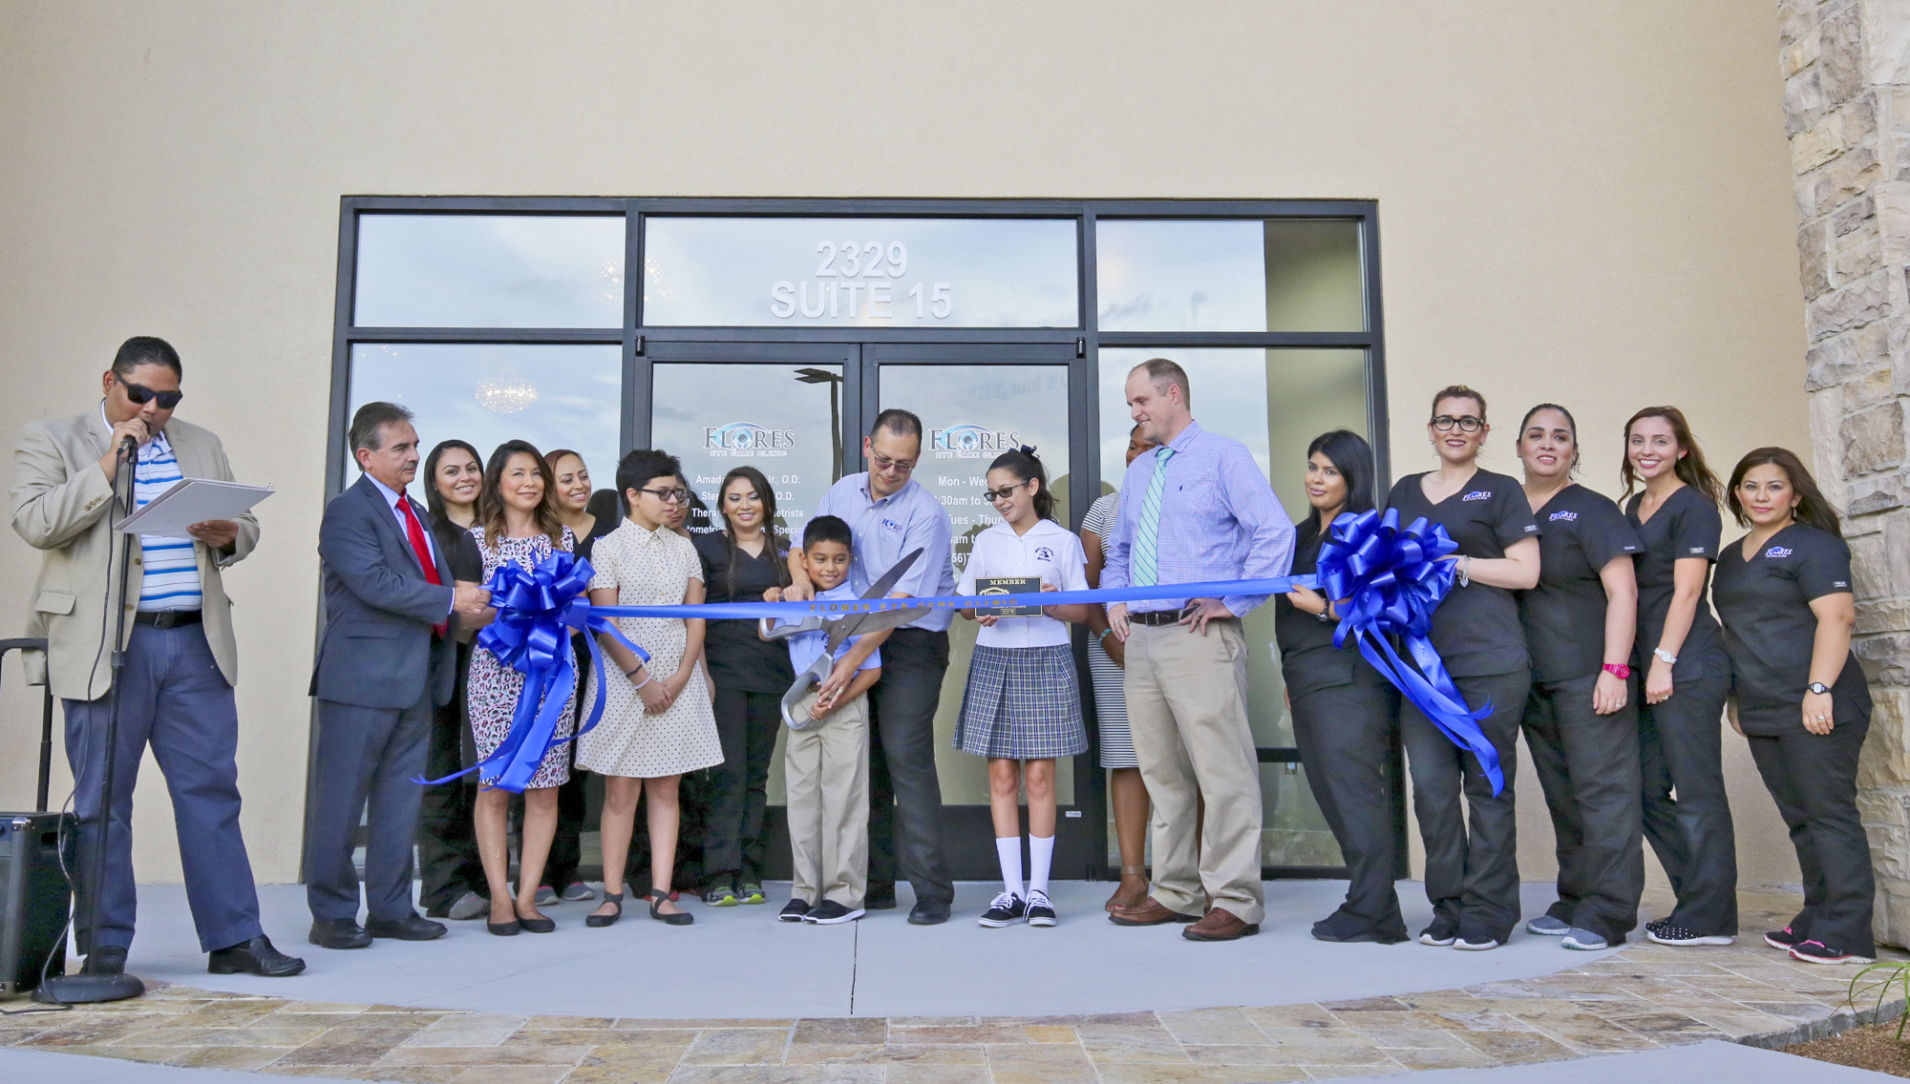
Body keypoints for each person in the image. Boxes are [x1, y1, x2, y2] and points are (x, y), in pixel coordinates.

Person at [10, 335, 302, 978]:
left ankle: (235, 938)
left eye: (167, 399)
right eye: (140, 394)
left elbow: (245, 525)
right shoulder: (54, 439)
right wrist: (110, 463)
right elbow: (36, 522)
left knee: (211, 792)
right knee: (102, 800)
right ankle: (105, 948)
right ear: (109, 381)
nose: (153, 409)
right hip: (106, 646)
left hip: (194, 642)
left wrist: (230, 533)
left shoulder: (200, 443)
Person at [1103, 357, 1296, 943]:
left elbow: (1275, 531)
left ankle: (1235, 899)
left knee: (1222, 770)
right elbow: (1119, 550)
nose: (1134, 412)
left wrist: (1233, 602)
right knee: (1162, 772)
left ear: (1173, 394)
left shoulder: (1224, 457)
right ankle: (1176, 891)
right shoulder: (1140, 472)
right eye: (1130, 403)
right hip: (1143, 640)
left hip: (1199, 635)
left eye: (1140, 400)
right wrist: (1116, 600)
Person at [309, 401, 491, 950]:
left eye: (414, 445)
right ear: (366, 456)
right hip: (361, 682)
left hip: (417, 678)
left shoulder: (413, 511)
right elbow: (373, 583)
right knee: (342, 806)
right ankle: (332, 915)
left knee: (399, 804)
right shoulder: (348, 511)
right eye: (401, 448)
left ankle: (391, 910)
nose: (414, 455)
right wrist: (452, 598)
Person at [1384, 385, 1539, 952]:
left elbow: (1526, 571)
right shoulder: (1404, 491)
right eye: (1445, 421)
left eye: (1468, 422)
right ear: (1430, 429)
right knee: (1431, 791)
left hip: (1489, 664)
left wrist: (1459, 564)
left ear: (1484, 432)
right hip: (1420, 668)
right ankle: (1447, 906)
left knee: (1487, 788)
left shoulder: (1501, 491)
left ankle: (1489, 912)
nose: (1456, 430)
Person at [788, 409, 957, 925]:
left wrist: (850, 663)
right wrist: (799, 581)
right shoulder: (841, 492)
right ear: (867, 447)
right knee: (865, 763)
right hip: (845, 638)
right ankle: (873, 885)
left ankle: (932, 891)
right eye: (883, 459)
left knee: (905, 756)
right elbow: (800, 548)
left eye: (903, 464)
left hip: (908, 642)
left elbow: (898, 605)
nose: (891, 471)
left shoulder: (926, 514)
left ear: (917, 460)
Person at [1714, 447, 1874, 964]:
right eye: (1751, 486)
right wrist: (1736, 699)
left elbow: (1838, 618)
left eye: (1775, 486)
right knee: (1801, 819)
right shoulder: (1730, 558)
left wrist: (1819, 689)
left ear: (1796, 495)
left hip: (1818, 703)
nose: (1761, 496)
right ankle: (1816, 916)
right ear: (1737, 495)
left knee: (1829, 816)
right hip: (1762, 706)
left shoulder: (1815, 546)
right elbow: (1735, 632)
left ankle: (1847, 931)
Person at [1513, 405, 1644, 951]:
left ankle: (1609, 912)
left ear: (1573, 450)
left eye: (1560, 436)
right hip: (1531, 679)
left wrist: (1615, 668)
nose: (1548, 444)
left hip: (1589, 674)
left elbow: (1624, 591)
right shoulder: (1505, 507)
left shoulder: (1591, 509)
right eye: (1536, 435)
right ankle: (1574, 898)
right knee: (1563, 795)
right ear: (1519, 447)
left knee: (1603, 794)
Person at [579, 450, 722, 927]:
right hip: (625, 681)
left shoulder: (684, 548)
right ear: (633, 495)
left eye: (678, 492)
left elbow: (695, 618)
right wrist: (642, 681)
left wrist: (681, 676)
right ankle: (612, 893)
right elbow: (606, 622)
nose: (673, 501)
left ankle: (662, 893)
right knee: (620, 791)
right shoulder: (608, 548)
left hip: (678, 678)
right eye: (663, 493)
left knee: (667, 788)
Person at [1275, 430, 1406, 944]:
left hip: (1350, 682)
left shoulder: (1368, 533)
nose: (1317, 479)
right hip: (1307, 679)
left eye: (1330, 471)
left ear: (1353, 478)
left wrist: (1325, 608)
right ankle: (1376, 909)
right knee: (1334, 796)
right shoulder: (1300, 536)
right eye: (1313, 467)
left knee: (1354, 796)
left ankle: (1371, 909)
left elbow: (1386, 608)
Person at [955, 448, 1092, 928]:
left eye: (1006, 491)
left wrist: (1051, 603)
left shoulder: (1063, 541)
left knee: (1039, 778)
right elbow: (964, 605)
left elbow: (1082, 611)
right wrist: (982, 608)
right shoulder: (986, 540)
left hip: (1046, 655)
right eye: (991, 494)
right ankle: (1011, 889)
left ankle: (1039, 891)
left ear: (1032, 487)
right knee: (1001, 778)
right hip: (995, 655)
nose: (999, 501)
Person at [1622, 406, 1737, 947]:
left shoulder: (1694, 507)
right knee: (1645, 791)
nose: (1647, 450)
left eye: (1660, 441)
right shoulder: (1633, 507)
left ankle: (1711, 918)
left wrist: (1664, 661)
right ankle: (1700, 901)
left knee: (1697, 792)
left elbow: (1688, 592)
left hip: (1686, 666)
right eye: (1638, 440)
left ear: (1681, 449)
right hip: (1649, 668)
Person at [462, 441, 577, 936]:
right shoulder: (475, 541)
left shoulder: (563, 539)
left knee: (545, 788)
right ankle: (499, 898)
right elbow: (465, 617)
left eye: (535, 474)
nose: (529, 482)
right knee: (494, 788)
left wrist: (557, 615)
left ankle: (528, 897)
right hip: (495, 675)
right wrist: (513, 612)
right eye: (517, 473)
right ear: (498, 482)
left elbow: (577, 611)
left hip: (553, 676)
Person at [766, 515, 883, 925]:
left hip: (843, 707)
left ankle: (845, 894)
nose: (830, 568)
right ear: (804, 560)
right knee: (802, 799)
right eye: (820, 559)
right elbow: (767, 631)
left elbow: (871, 670)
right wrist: (773, 601)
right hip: (800, 702)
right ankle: (805, 891)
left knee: (843, 799)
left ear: (851, 560)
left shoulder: (858, 604)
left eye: (839, 559)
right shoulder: (795, 597)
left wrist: (834, 701)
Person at [696, 466, 796, 907]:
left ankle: (750, 871)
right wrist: (702, 673)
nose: (744, 505)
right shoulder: (707, 548)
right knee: (727, 775)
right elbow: (693, 616)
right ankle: (719, 873)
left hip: (772, 674)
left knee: (756, 776)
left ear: (767, 502)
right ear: (722, 506)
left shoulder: (786, 551)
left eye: (753, 496)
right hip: (724, 675)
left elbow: (804, 603)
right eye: (735, 498)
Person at [1079, 424, 1158, 914]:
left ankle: (1189, 873)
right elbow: (1086, 589)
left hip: (1174, 642)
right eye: (1132, 445)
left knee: (1183, 759)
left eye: (1148, 447)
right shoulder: (1104, 510)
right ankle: (1133, 876)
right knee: (1127, 759)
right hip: (1112, 650)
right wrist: (1108, 640)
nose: (1136, 454)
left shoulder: (1182, 505)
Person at [417, 439, 488, 922]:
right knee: (442, 770)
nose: (465, 477)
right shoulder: (425, 532)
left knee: (488, 775)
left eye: (471, 467)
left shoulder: (499, 528)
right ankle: (443, 886)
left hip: (498, 664)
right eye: (452, 471)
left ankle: (486, 879)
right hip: (443, 664)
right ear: (435, 482)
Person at [539, 448, 611, 908]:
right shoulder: (541, 535)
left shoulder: (609, 531)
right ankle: (538, 874)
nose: (579, 485)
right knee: (541, 764)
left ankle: (567, 870)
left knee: (574, 767)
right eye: (566, 479)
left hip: (599, 660)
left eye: (583, 476)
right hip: (548, 660)